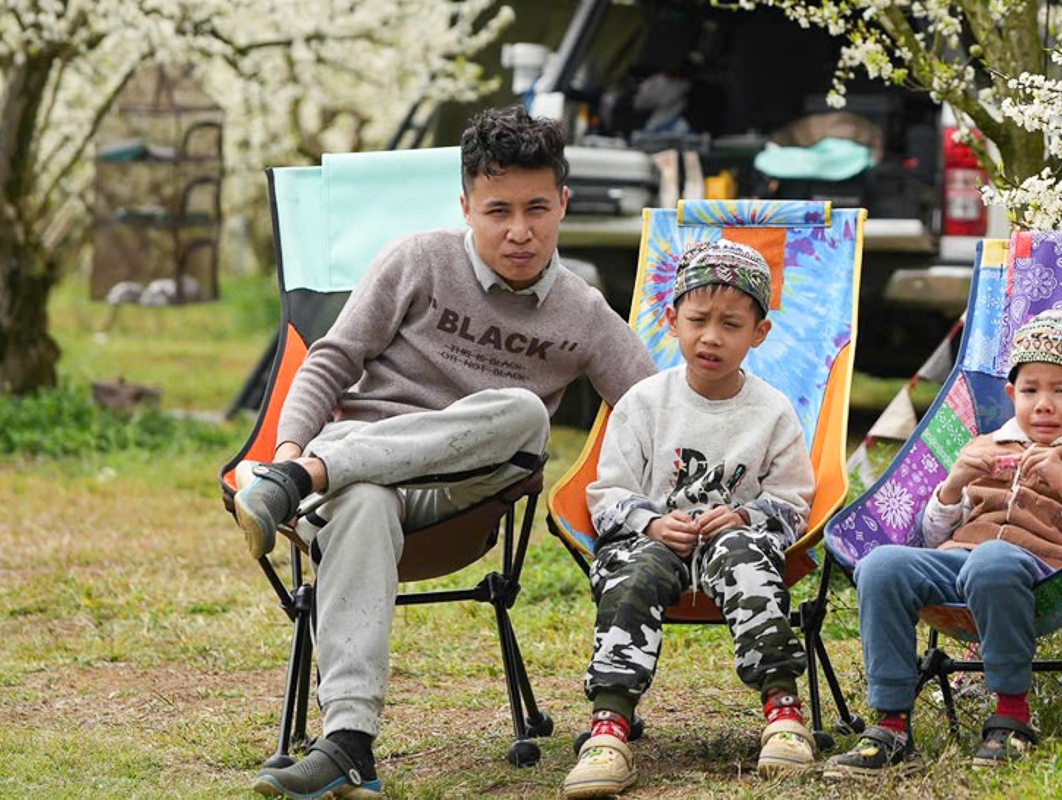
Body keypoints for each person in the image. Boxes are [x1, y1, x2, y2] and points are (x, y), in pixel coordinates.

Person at [232, 107, 656, 800]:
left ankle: (300, 477)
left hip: (462, 494)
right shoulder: (418, 259)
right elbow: (331, 360)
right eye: (497, 210)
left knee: (521, 411)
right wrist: (288, 442)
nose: (519, 230)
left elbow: (652, 409)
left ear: (563, 206)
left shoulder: (583, 313)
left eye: (536, 208)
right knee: (364, 496)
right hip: (359, 478)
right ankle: (349, 744)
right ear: (465, 206)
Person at [825, 310, 1062, 776]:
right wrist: (954, 483)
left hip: (1047, 574)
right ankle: (892, 726)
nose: (1044, 405)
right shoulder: (990, 443)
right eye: (1030, 390)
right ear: (1013, 394)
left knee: (992, 561)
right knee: (882, 566)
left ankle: (1012, 718)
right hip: (957, 563)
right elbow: (932, 537)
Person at [564, 240, 817, 797]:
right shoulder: (643, 403)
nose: (711, 337)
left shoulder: (772, 412)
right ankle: (609, 724)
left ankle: (783, 712)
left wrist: (748, 515)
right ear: (672, 320)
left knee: (746, 557)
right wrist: (652, 524)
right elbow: (607, 494)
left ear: (759, 333)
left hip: (733, 545)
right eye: (698, 320)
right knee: (637, 569)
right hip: (653, 543)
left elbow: (795, 500)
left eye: (731, 324)